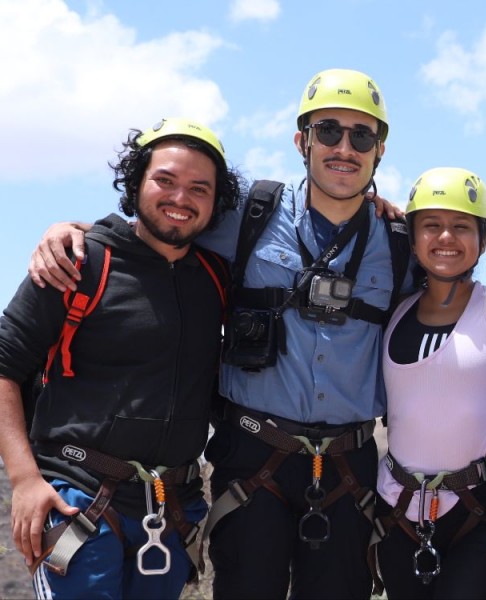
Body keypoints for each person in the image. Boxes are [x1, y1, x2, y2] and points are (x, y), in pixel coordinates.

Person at [27, 68, 415, 599]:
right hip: (254, 461)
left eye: (361, 135)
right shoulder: (247, 215)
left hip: (349, 467)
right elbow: (161, 220)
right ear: (302, 141)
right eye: (328, 131)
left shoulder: (400, 242)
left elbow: (454, 292)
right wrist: (71, 230)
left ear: (380, 150)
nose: (344, 147)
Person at [0, 118, 241, 598]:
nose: (180, 198)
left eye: (199, 188)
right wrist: (25, 480)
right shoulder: (77, 262)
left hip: (172, 510)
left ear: (216, 204)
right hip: (78, 501)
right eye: (165, 181)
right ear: (136, 184)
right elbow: (5, 364)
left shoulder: (216, 278)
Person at [371, 167, 486, 599]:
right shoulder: (392, 311)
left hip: (478, 507)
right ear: (412, 239)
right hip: (397, 505)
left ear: (482, 240)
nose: (446, 238)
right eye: (431, 226)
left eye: (461, 227)